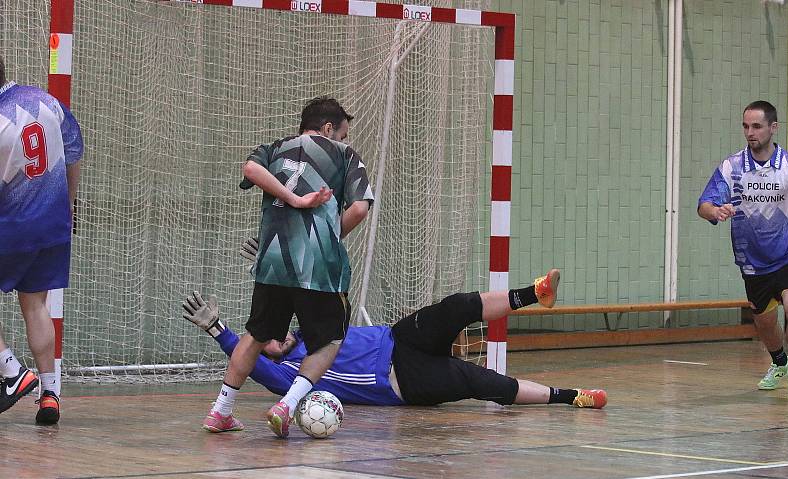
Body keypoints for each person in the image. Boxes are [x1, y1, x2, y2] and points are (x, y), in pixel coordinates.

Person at [184, 268, 606, 433]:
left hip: (400, 339)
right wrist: (220, 331)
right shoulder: (292, 378)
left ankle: (534, 293)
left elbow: (304, 292)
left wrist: (272, 265)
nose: (276, 338)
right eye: (267, 342)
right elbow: (254, 364)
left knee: (456, 306)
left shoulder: (310, 330)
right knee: (486, 383)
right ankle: (572, 396)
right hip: (404, 382)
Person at [206, 97, 373, 437]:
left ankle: (220, 411)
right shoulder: (344, 155)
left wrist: (293, 199)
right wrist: (329, 235)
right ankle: (288, 404)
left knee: (256, 335)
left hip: (272, 261)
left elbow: (250, 170)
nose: (343, 141)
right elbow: (358, 209)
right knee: (329, 341)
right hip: (319, 268)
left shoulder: (272, 148)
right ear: (328, 128)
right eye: (342, 134)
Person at [0, 56, 84, 424]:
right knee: (36, 305)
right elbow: (75, 153)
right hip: (54, 223)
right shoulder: (48, 102)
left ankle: (11, 370)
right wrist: (69, 206)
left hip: (13, 225)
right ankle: (50, 393)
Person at [698, 100, 788, 399]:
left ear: (773, 127)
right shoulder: (731, 167)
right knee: (765, 322)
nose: (750, 132)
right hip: (753, 260)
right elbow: (704, 205)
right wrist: (714, 212)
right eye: (745, 126)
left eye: (756, 126)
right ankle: (779, 362)